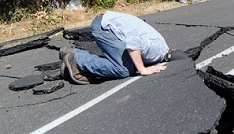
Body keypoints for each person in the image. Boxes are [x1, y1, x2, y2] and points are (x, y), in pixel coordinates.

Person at [59, 11, 187, 85]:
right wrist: (143, 69)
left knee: (130, 63)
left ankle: (73, 52)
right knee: (123, 70)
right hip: (104, 27)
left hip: (109, 23)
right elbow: (133, 43)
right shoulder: (155, 51)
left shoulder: (162, 47)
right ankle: (76, 60)